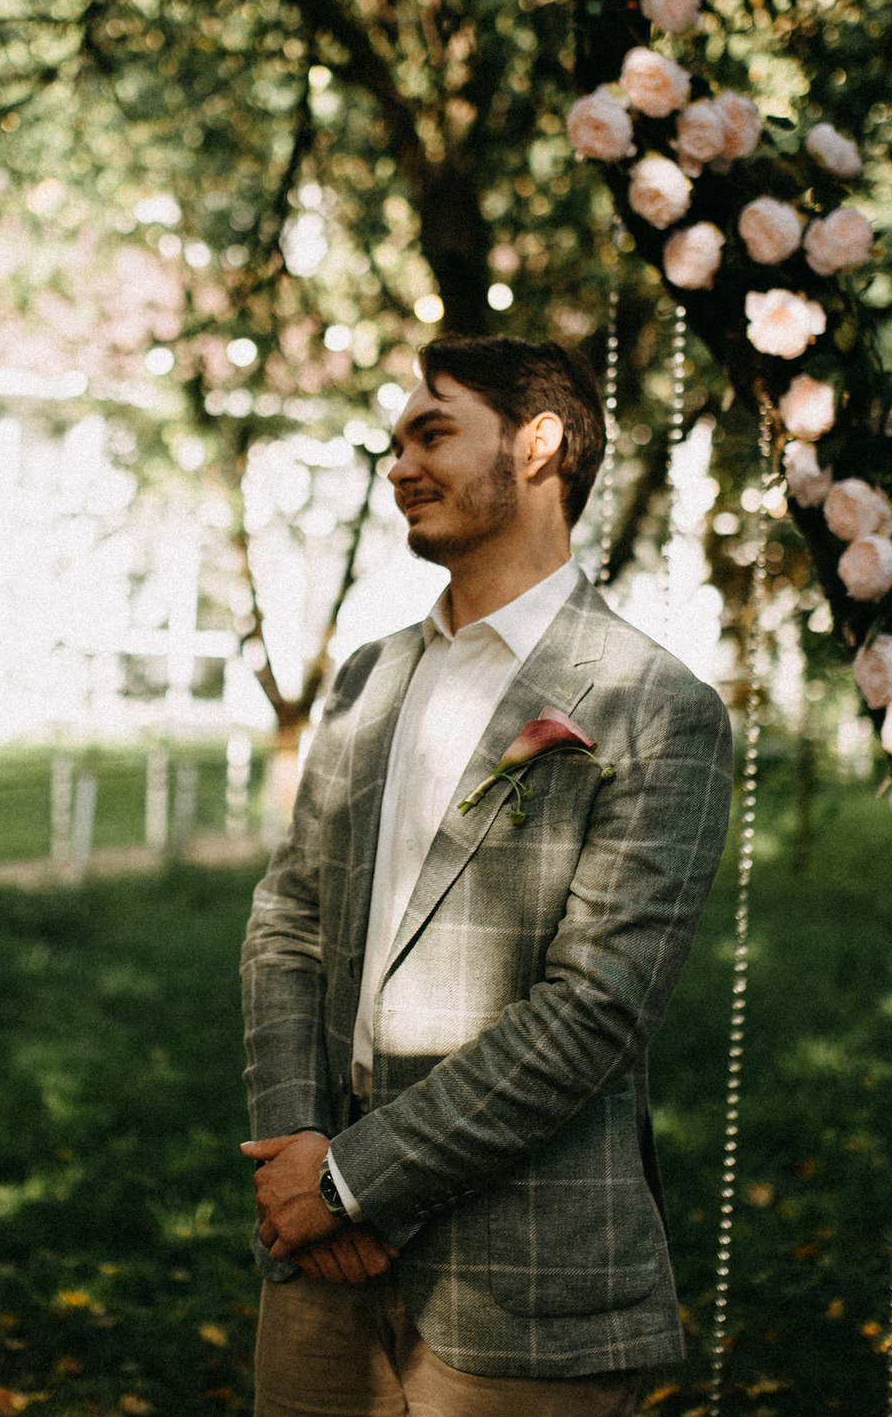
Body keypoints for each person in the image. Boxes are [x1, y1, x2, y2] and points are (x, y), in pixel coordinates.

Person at [238, 335, 736, 1416]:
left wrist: (354, 1182)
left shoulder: (655, 705)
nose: (399, 465)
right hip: (317, 1269)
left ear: (540, 444)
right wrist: (295, 1153)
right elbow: (289, 922)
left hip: (526, 1281)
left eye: (432, 432)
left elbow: (594, 1010)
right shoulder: (371, 678)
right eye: (394, 442)